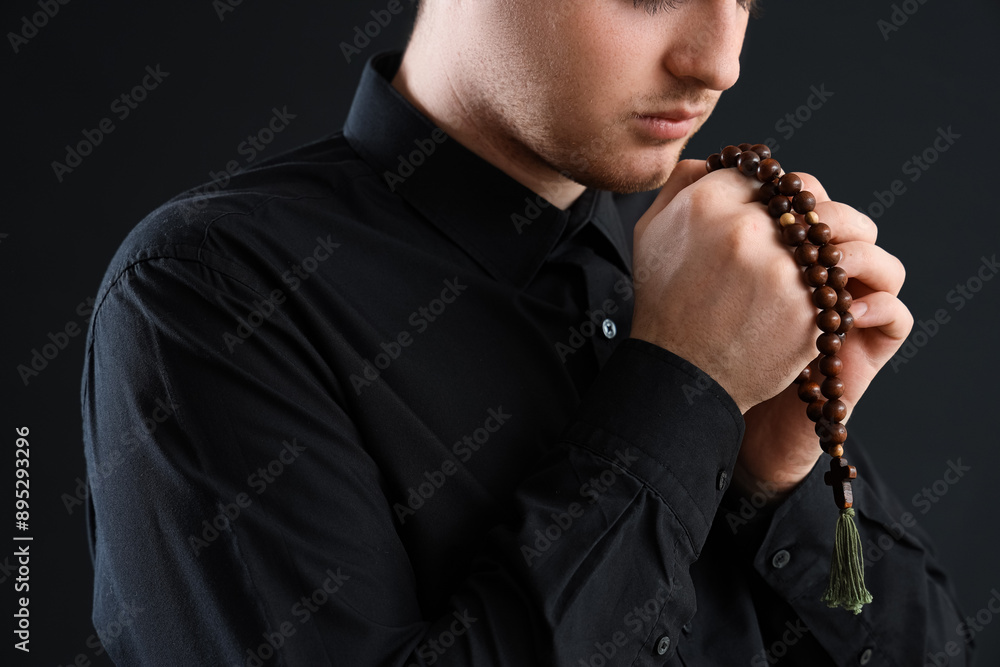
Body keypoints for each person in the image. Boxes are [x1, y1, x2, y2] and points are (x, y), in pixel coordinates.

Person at [82, 0, 970, 664]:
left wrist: (773, 484)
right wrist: (676, 393)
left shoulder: (682, 276)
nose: (720, 60)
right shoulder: (204, 292)